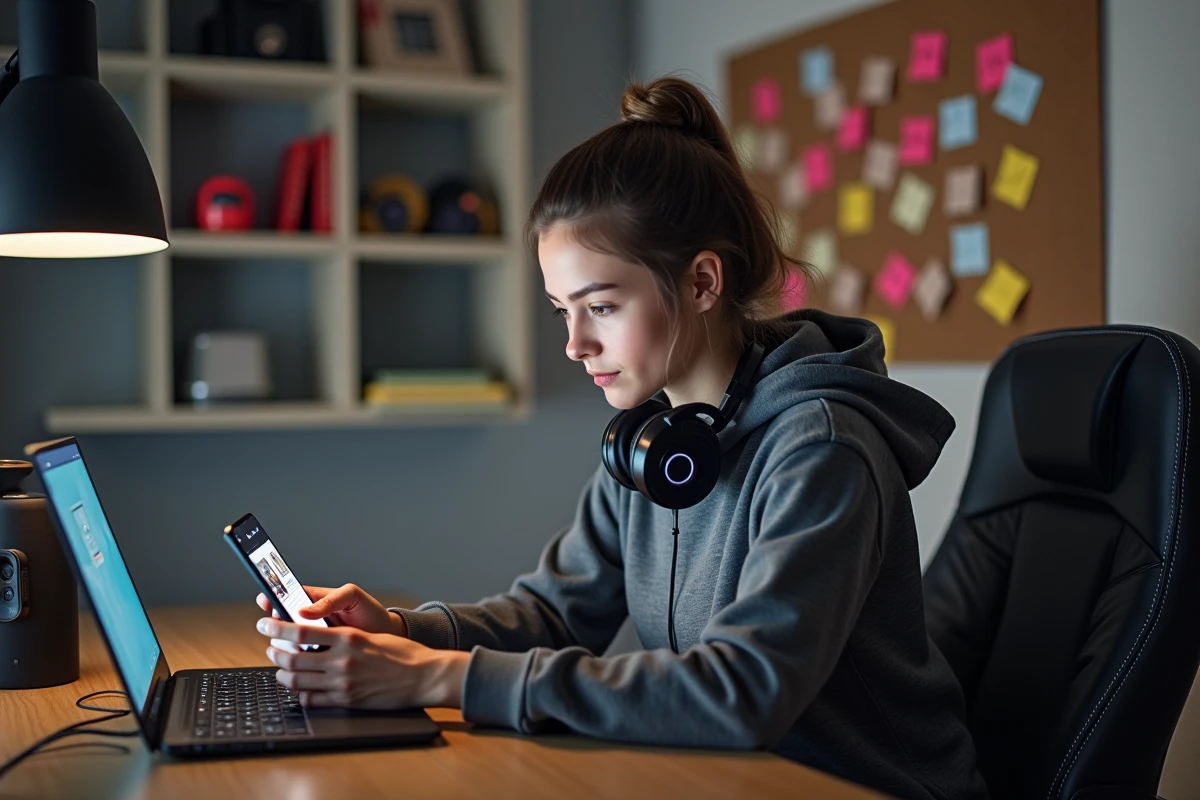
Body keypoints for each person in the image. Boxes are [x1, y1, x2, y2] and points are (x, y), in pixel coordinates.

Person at [253, 76, 989, 799]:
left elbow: (744, 689)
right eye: (560, 312)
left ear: (702, 283)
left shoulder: (823, 449)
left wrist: (439, 678)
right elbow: (555, 613)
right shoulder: (655, 442)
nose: (575, 344)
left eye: (600, 306)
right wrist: (406, 633)